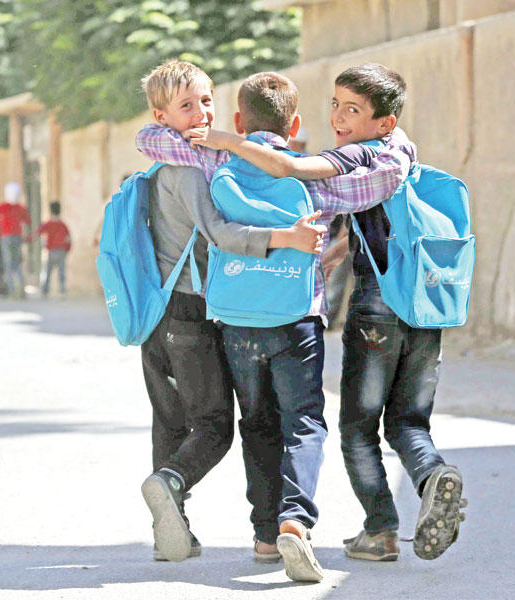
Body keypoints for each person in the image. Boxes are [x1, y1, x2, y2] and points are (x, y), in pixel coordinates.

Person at [180, 63, 466, 565]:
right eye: (335, 105)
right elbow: (364, 210)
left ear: (384, 121)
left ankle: (372, 528)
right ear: (294, 124)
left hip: (367, 308)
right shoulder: (395, 155)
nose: (338, 117)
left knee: (353, 428)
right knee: (406, 422)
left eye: (351, 109)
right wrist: (334, 252)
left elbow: (289, 170)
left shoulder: (350, 159)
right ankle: (429, 476)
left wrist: (221, 139)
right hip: (422, 306)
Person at [136, 68, 414, 581]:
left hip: (236, 321)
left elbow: (152, 139)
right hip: (296, 319)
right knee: (303, 421)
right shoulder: (317, 179)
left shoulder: (212, 161)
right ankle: (294, 522)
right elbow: (377, 184)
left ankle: (265, 536)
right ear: (296, 125)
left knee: (256, 423)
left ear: (237, 120)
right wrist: (398, 146)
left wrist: (215, 138)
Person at [134, 60, 329, 565]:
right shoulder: (190, 171)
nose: (202, 112)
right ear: (161, 116)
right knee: (215, 426)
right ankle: (170, 481)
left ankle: (170, 529)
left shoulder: (166, 158)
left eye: (206, 101)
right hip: (191, 311)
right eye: (187, 105)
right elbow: (221, 235)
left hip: (157, 308)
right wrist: (287, 238)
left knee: (171, 421)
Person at [0, 182, 30, 299]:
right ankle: (21, 287)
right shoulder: (21, 208)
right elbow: (27, 221)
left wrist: (0, 220)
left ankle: (12, 291)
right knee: (16, 263)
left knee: (8, 263)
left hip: (6, 237)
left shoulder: (4, 206)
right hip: (17, 237)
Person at [32, 201, 71, 297]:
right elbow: (68, 239)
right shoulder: (63, 225)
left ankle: (45, 291)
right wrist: (67, 250)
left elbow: (38, 232)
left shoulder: (48, 224)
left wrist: (30, 239)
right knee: (61, 272)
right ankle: (62, 291)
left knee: (47, 272)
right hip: (61, 251)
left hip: (51, 251)